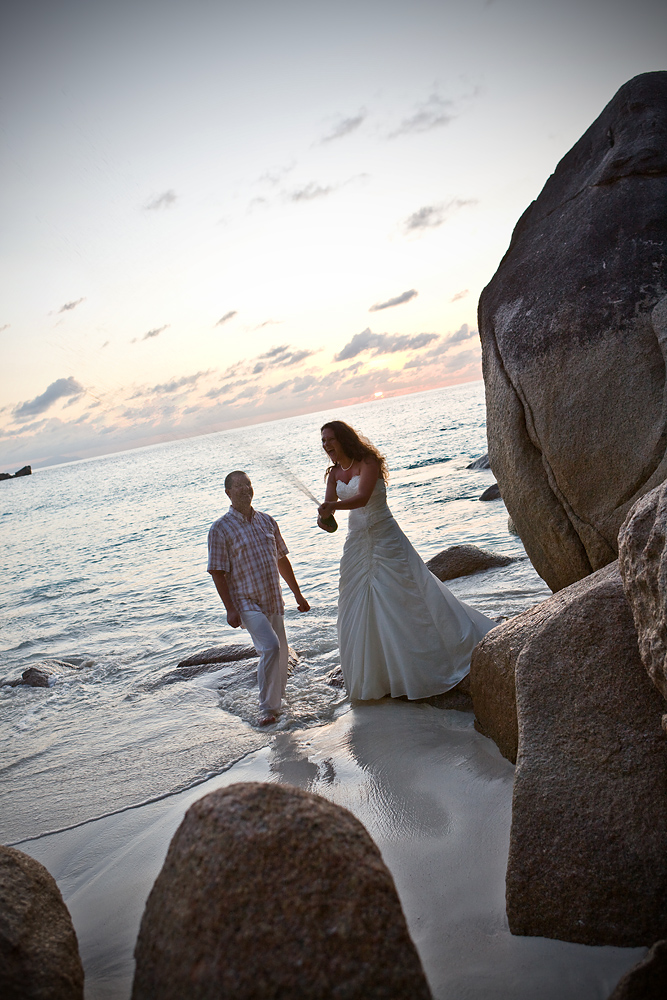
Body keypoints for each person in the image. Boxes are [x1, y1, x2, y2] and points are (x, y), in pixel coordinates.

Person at [318, 421, 495, 700]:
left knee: (401, 594)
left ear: (343, 439)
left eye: (330, 439)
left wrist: (334, 506)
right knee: (355, 599)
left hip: (385, 535)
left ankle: (422, 665)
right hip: (356, 542)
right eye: (323, 441)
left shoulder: (368, 461)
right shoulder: (333, 475)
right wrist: (324, 518)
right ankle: (379, 675)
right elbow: (330, 520)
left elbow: (363, 497)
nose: (326, 445)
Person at [208, 470, 310, 726]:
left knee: (282, 652)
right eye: (239, 486)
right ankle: (266, 710)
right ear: (228, 493)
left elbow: (281, 559)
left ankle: (278, 703)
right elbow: (217, 572)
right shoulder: (220, 529)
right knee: (271, 647)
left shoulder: (267, 521)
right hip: (245, 601)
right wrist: (230, 609)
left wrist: (297, 594)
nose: (245, 489)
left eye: (248, 484)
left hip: (273, 598)